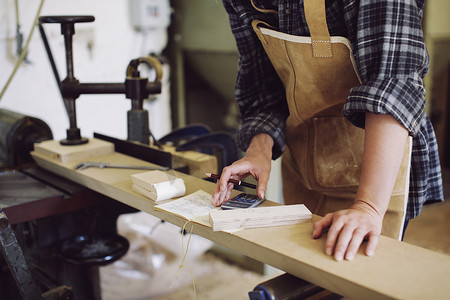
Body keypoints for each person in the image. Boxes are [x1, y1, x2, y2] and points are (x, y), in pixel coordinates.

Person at [211, 0, 444, 261]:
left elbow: (392, 84)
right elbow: (263, 88)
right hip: (303, 170)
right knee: (305, 271)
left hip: (372, 178)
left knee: (356, 280)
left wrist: (368, 207)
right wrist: (259, 149)